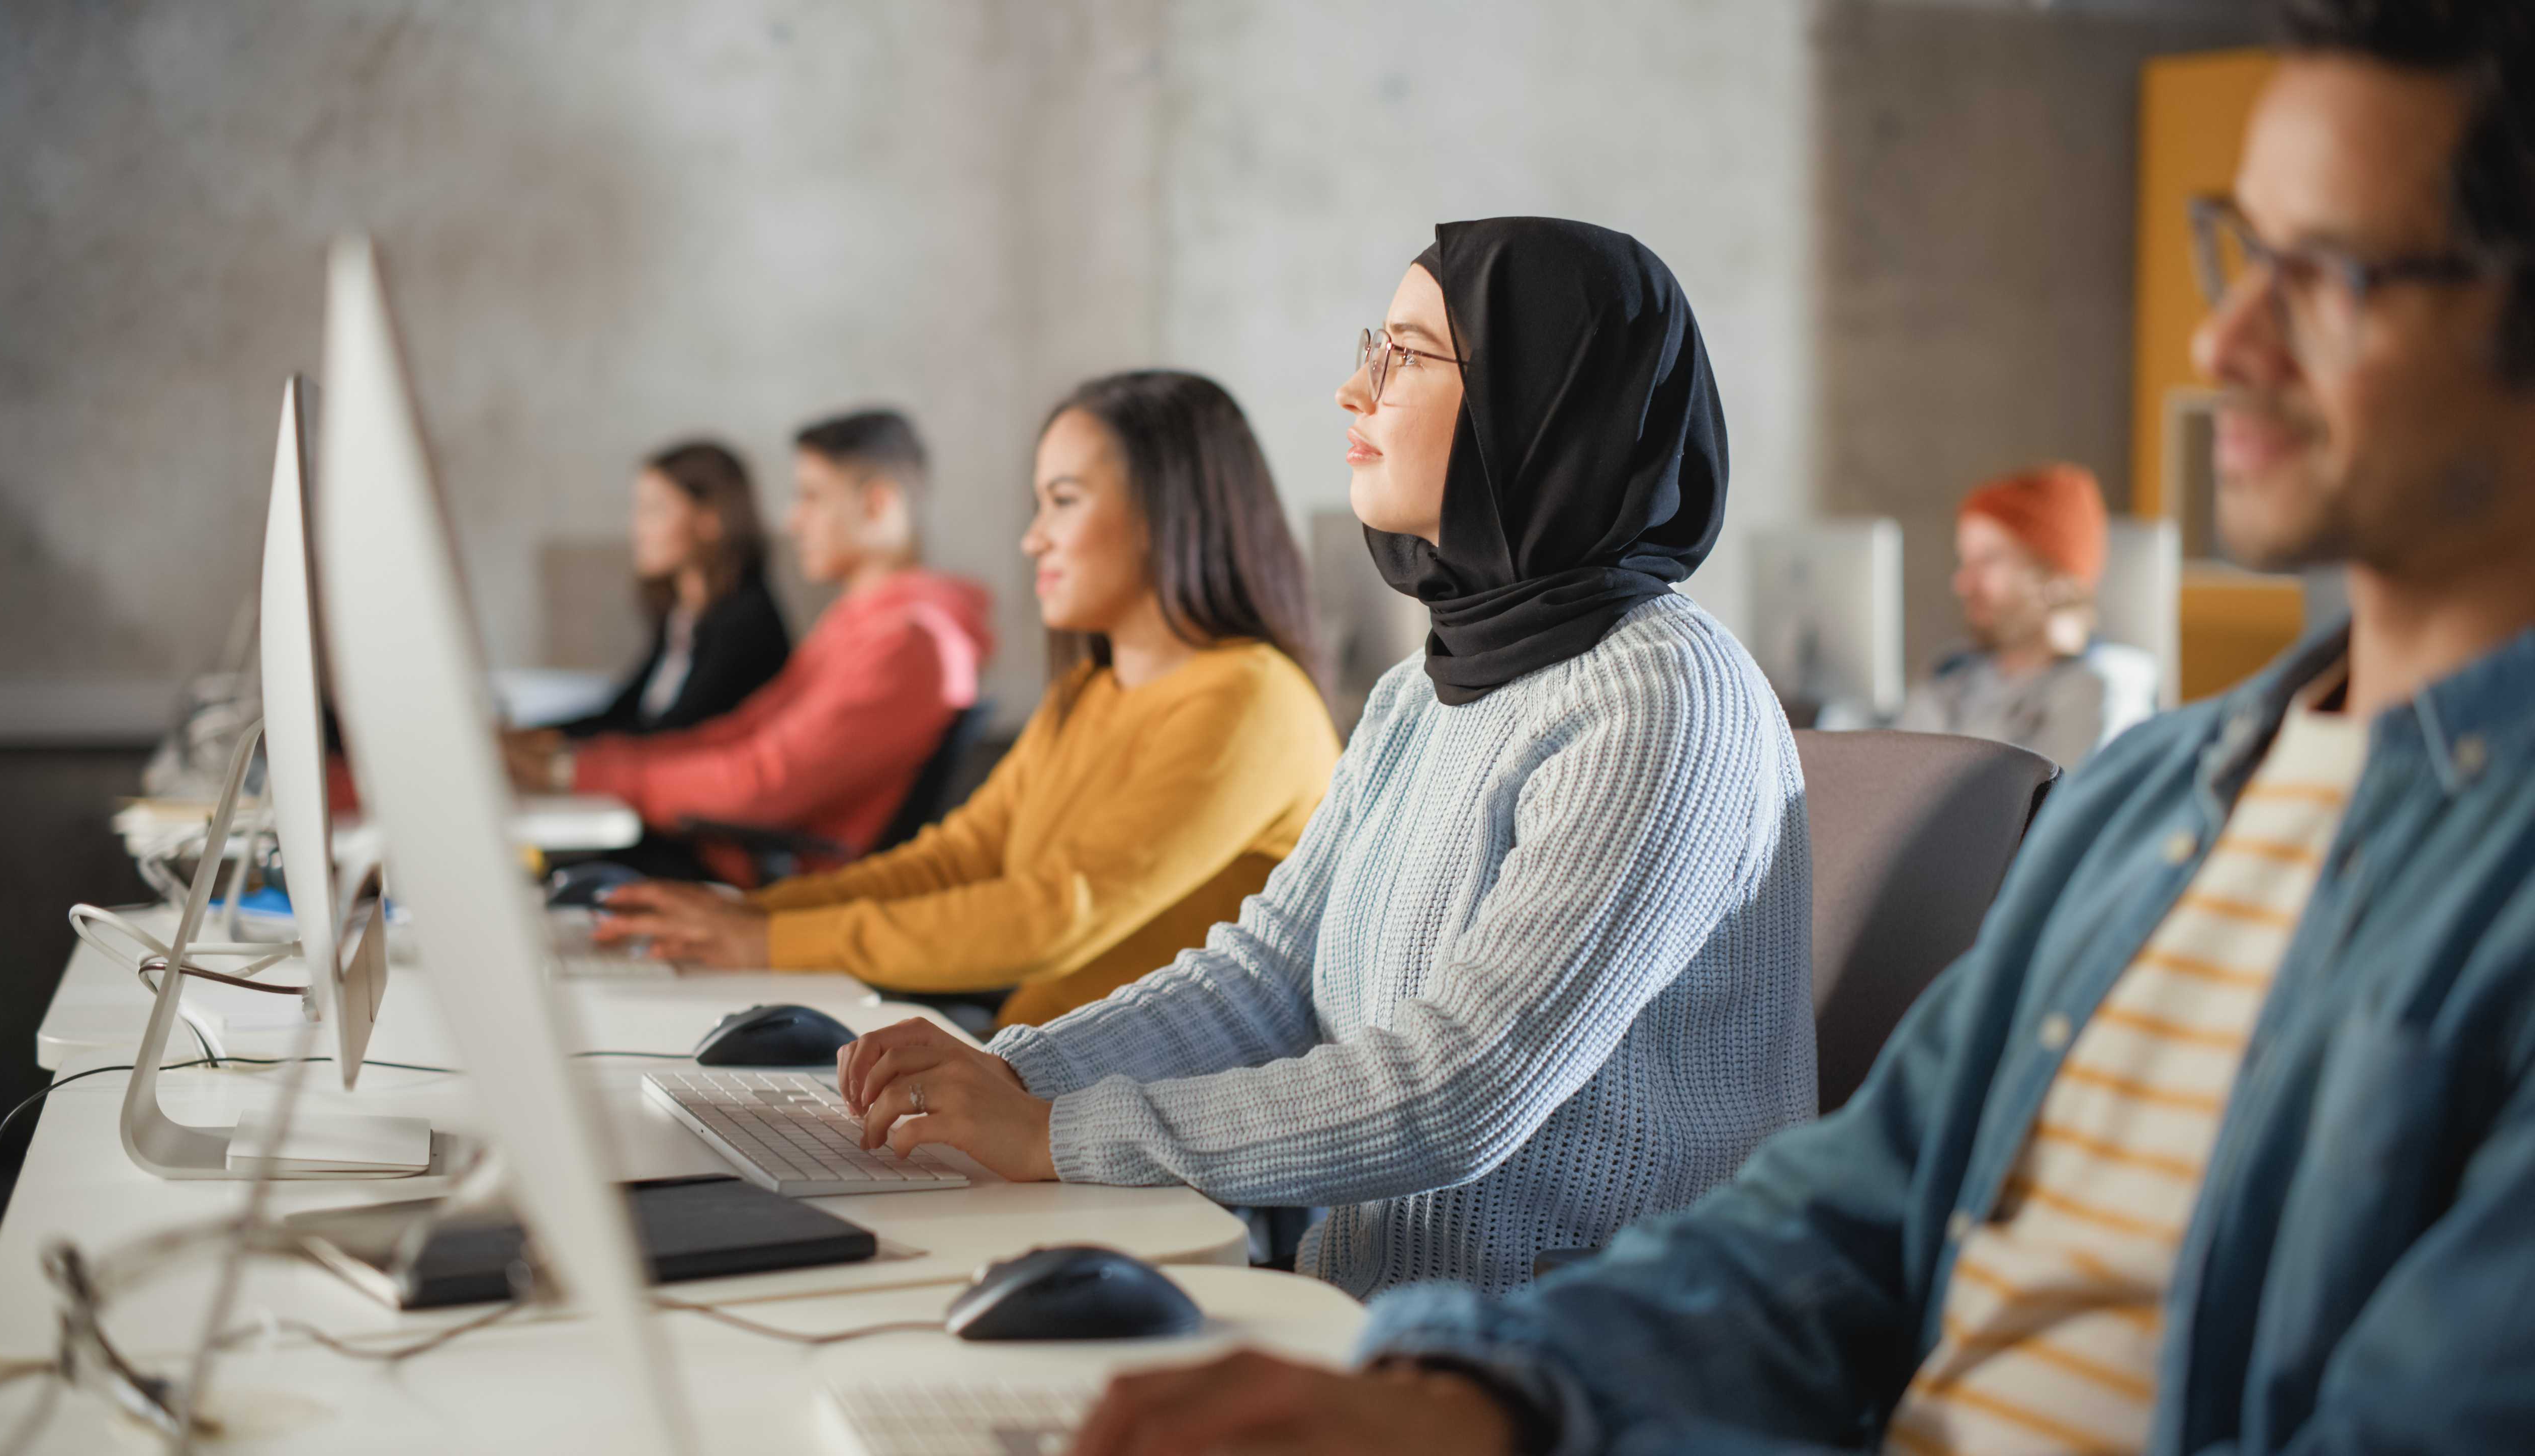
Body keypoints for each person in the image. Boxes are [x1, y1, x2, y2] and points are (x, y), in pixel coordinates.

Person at [1059, 4, 2535, 1452]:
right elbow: (1842, 1221)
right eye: (2238, 253)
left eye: (2325, 272)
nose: (2223, 333)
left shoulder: (2483, 866)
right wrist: (1469, 1398)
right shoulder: (2152, 804)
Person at [828, 218, 1815, 1299]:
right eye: (1369, 347)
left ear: (1543, 399)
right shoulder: (1418, 692)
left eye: (1405, 356)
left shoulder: (1664, 697)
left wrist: (1057, 1134)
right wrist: (1009, 1073)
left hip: (1573, 1357)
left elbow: (1461, 1089)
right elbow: (1265, 982)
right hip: (1370, 1320)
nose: (1354, 391)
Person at [595, 373, 1342, 1023]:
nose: (1033, 539)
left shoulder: (1249, 700)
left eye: (1064, 501)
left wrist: (770, 943)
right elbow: (961, 859)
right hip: (1036, 1065)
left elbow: (1056, 912)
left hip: (1140, 1113)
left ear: (1167, 515)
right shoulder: (1092, 687)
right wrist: (753, 916)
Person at [507, 410, 994, 880]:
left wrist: (579, 773)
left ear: (877, 505)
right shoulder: (862, 624)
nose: (791, 521)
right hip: (729, 849)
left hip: (759, 878)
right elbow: (741, 735)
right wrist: (583, 765)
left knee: (522, 873)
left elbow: (762, 783)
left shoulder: (907, 643)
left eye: (811, 497)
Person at [1896, 462, 2158, 769]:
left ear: (2056, 577)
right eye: (1965, 560)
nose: (1963, 583)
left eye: (1990, 559)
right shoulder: (1950, 676)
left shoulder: (2095, 693)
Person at [547, 439, 789, 738]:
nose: (636, 530)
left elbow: (672, 735)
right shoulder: (685, 613)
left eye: (654, 511)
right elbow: (627, 711)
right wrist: (530, 737)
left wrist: (550, 752)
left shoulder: (748, 625)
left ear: (710, 519)